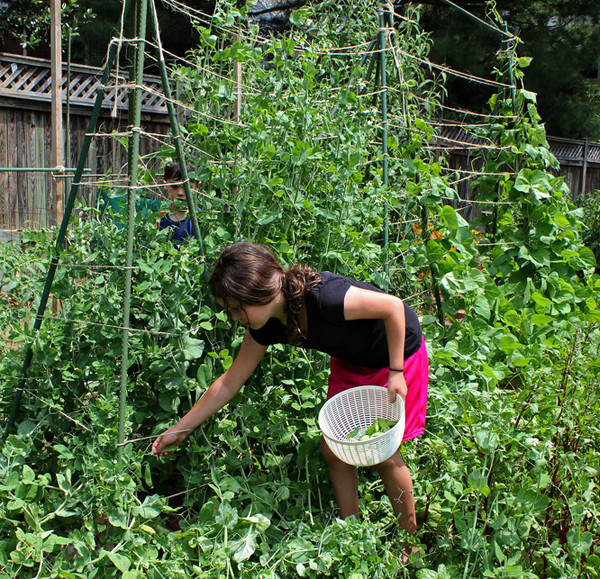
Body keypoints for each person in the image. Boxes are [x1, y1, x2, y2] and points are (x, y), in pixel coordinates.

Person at [152, 242, 429, 556]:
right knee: (334, 451)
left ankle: (409, 543)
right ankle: (352, 535)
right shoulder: (265, 325)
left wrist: (395, 371)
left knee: (384, 453)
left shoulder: (326, 298)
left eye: (235, 307)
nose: (233, 317)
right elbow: (231, 381)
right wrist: (182, 428)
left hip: (396, 353)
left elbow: (393, 307)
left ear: (258, 290)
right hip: (351, 361)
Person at [158, 162, 199, 245]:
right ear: (165, 184)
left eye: (187, 187)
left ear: (197, 187)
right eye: (175, 186)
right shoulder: (160, 218)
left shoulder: (201, 218)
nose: (180, 193)